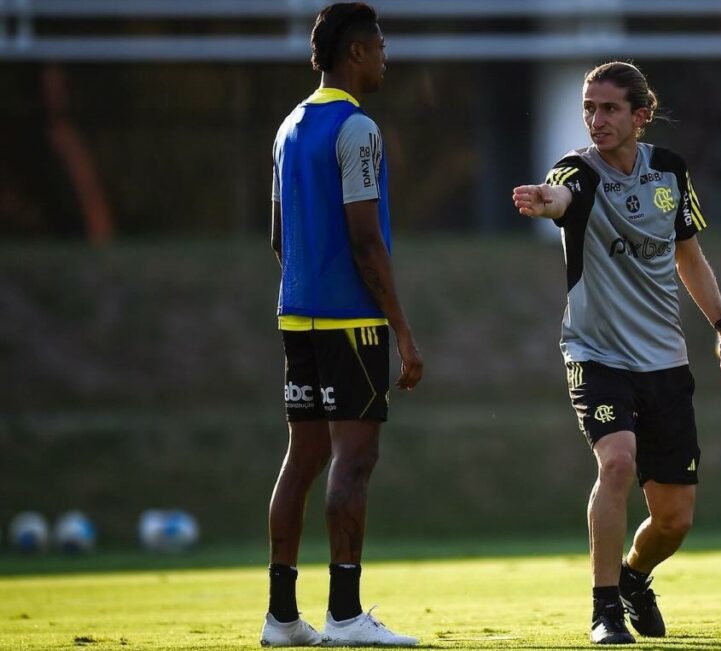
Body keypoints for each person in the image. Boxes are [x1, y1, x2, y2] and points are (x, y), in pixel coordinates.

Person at [512, 61, 721, 645]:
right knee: (617, 462)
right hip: (596, 355)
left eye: (610, 108)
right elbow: (562, 195)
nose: (596, 119)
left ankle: (633, 577)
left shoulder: (669, 172)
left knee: (675, 520)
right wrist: (546, 201)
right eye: (589, 108)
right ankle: (603, 610)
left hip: (665, 362)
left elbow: (689, 258)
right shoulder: (579, 172)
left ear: (640, 115)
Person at [261, 3, 422, 647]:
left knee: (302, 458)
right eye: (380, 47)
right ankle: (347, 615)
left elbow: (279, 232)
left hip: (296, 314)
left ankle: (280, 619)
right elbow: (365, 240)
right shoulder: (357, 129)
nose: (385, 58)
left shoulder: (289, 125)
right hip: (350, 319)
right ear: (355, 52)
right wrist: (403, 331)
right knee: (354, 461)